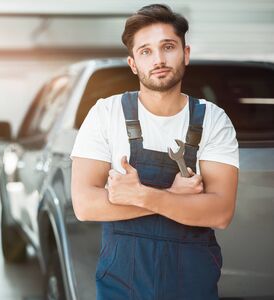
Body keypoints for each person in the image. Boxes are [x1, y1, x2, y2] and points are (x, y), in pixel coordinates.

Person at [70, 4, 239, 300]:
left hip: (192, 281)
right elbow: (85, 205)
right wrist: (173, 197)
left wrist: (140, 194)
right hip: (122, 281)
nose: (158, 59)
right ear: (133, 63)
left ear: (185, 54)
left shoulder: (213, 120)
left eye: (168, 47)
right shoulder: (105, 114)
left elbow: (221, 212)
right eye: (146, 51)